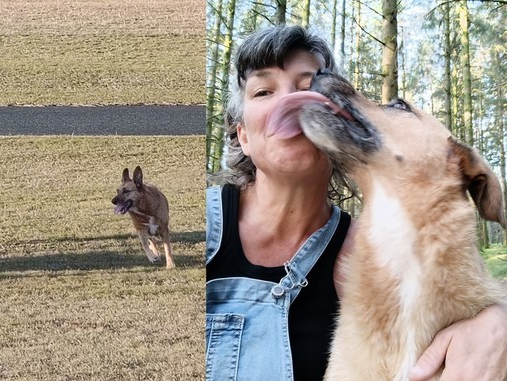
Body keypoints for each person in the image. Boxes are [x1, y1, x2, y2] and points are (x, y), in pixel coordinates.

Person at [205, 25, 507, 381]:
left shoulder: (370, 254)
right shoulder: (198, 226)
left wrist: (498, 321)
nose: (290, 99)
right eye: (264, 91)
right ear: (244, 137)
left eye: (308, 86)